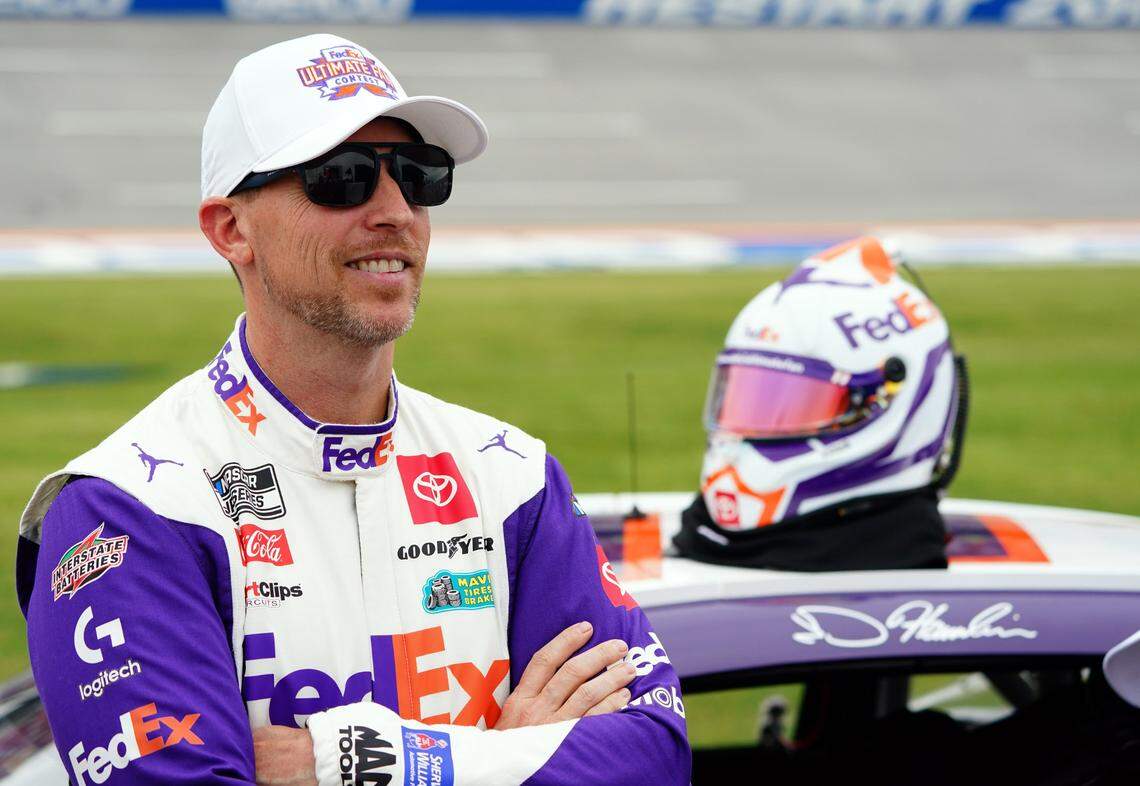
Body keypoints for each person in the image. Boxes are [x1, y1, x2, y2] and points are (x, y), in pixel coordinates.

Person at [17, 34, 689, 786]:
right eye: (340, 178)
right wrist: (511, 756)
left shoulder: (514, 478)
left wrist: (350, 764)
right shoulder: (128, 506)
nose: (395, 209)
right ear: (229, 228)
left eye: (418, 174)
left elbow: (654, 758)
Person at [673, 236, 968, 570]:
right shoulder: (701, 532)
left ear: (885, 403)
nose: (750, 431)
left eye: (801, 405)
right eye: (751, 397)